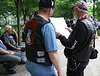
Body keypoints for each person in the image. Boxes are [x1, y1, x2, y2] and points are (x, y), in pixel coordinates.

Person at [56, 1, 96, 76]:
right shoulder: (90, 22)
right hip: (84, 58)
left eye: (73, 10)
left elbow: (71, 45)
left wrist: (60, 36)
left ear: (77, 9)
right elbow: (86, 37)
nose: (73, 12)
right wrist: (72, 31)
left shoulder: (81, 24)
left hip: (77, 61)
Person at [25, 0, 64, 76]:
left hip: (30, 61)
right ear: (50, 10)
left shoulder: (29, 22)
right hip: (42, 67)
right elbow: (53, 53)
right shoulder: (47, 26)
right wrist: (60, 71)